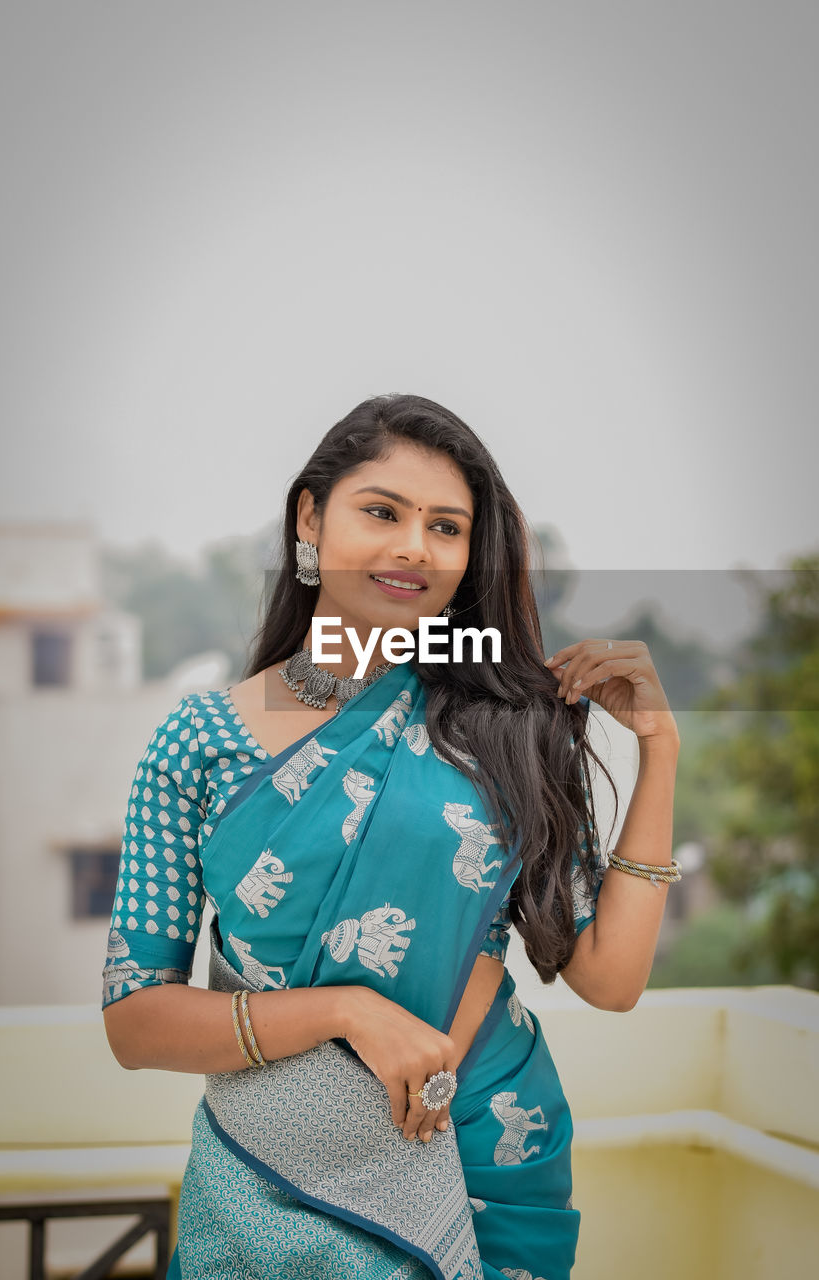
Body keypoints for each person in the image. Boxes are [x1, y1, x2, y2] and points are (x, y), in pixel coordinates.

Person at [102, 393, 682, 1280]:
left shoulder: (508, 729)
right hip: (269, 1170)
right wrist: (347, 1011)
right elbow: (136, 1021)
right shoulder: (202, 739)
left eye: (445, 527)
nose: (414, 546)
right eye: (382, 512)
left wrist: (657, 751)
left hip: (484, 1142)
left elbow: (608, 977)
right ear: (310, 517)